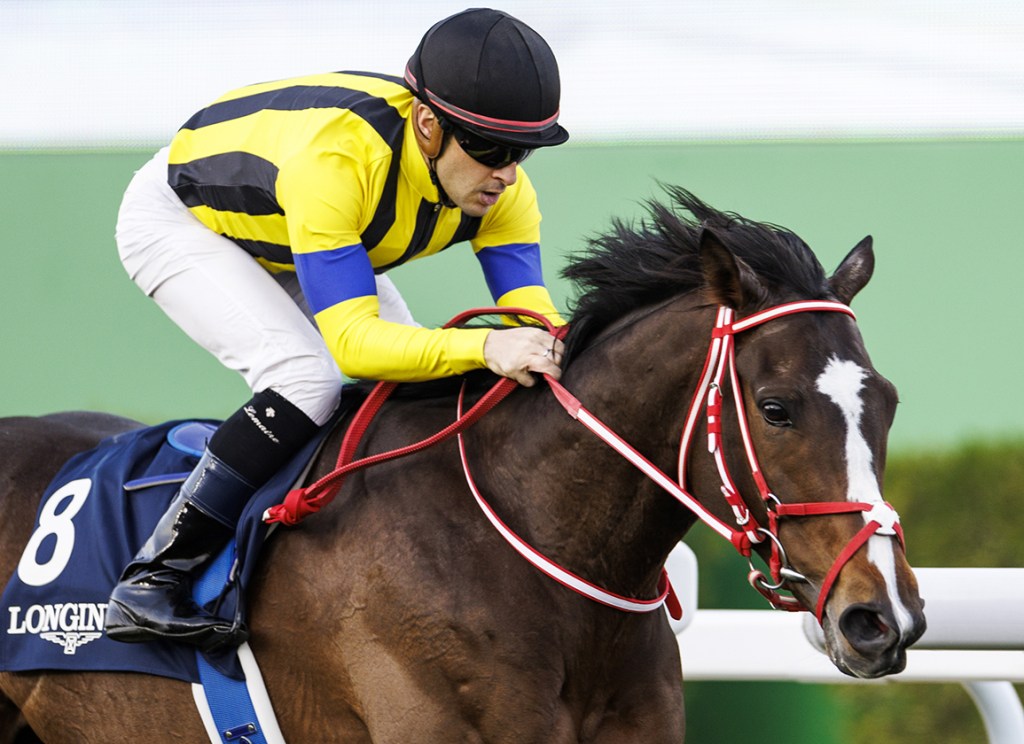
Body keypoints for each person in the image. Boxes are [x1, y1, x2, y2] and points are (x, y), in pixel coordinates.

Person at [105, 8, 569, 651]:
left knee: (411, 386)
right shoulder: (339, 164)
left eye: (522, 152)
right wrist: (486, 346)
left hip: (296, 228)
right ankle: (153, 578)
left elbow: (533, 321)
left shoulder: (504, 194)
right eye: (489, 149)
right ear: (428, 126)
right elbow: (356, 345)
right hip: (186, 220)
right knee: (306, 378)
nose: (508, 173)